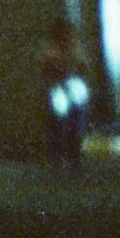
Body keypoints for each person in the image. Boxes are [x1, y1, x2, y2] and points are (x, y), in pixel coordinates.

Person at [37, 20, 92, 165]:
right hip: (70, 88)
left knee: (60, 121)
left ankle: (62, 153)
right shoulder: (72, 49)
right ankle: (71, 152)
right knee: (70, 120)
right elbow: (83, 67)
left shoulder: (53, 50)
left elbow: (46, 70)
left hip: (62, 89)